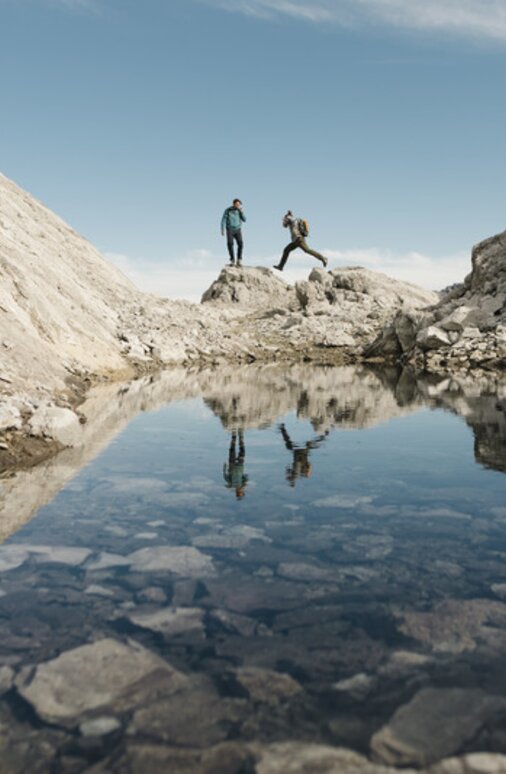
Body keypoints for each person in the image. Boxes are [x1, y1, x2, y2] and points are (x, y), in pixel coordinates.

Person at [278, 423, 329, 487]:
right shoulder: (299, 471)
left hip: (303, 451)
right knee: (289, 443)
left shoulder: (302, 471)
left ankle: (324, 436)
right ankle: (282, 429)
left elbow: (308, 464)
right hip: (298, 452)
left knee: (311, 444)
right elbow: (291, 468)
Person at [223, 429, 248, 499]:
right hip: (239, 465)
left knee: (232, 449)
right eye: (242, 491)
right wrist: (245, 483)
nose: (241, 490)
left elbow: (225, 475)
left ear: (237, 492)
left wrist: (225, 466)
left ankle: (234, 434)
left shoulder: (231, 484)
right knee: (241, 450)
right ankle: (240, 434)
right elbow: (246, 477)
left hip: (232, 465)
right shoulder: (242, 484)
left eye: (240, 492)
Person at [221, 199, 246, 267]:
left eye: (239, 205)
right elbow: (223, 220)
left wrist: (242, 212)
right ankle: (232, 260)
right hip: (230, 230)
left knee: (241, 244)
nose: (238, 206)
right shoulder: (228, 210)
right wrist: (222, 229)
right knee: (230, 244)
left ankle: (239, 260)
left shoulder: (239, 211)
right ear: (233, 204)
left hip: (238, 230)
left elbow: (245, 220)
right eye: (237, 204)